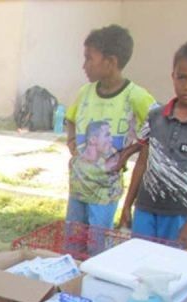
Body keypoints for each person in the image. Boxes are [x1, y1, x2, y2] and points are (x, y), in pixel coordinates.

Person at [64, 24, 157, 231]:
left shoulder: (136, 96)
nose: (84, 65)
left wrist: (130, 151)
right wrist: (71, 140)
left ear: (111, 62)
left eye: (89, 58)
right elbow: (70, 118)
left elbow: (158, 130)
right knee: (73, 241)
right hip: (78, 187)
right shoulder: (85, 92)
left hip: (104, 193)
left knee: (96, 244)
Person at [118, 39, 187, 247]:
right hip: (145, 209)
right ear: (173, 77)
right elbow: (142, 163)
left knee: (172, 264)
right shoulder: (155, 117)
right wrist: (127, 204)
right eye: (182, 77)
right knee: (140, 259)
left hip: (182, 215)